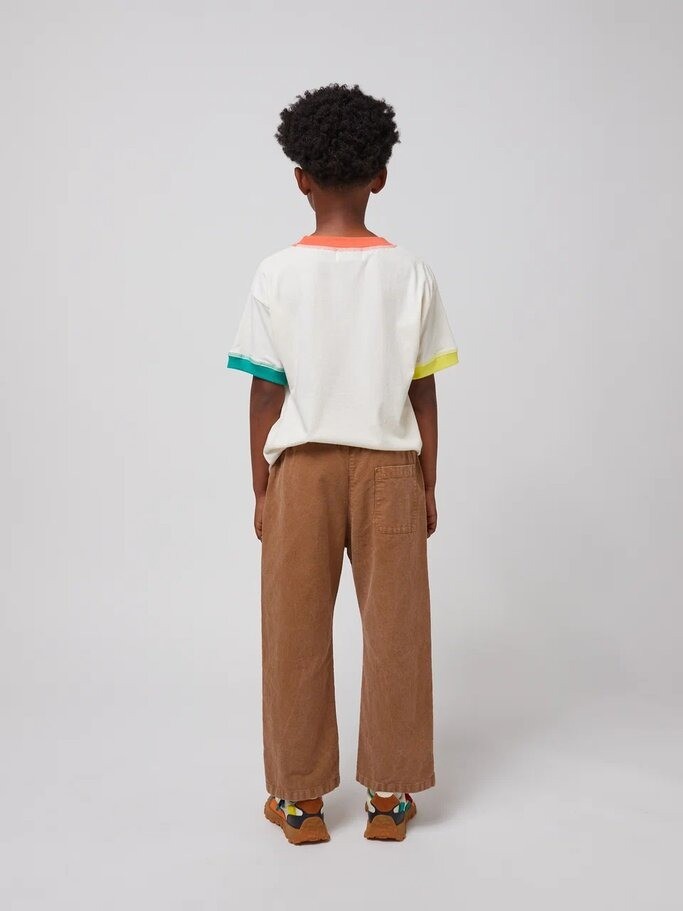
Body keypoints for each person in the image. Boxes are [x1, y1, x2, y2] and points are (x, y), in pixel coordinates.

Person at [226, 82, 459, 845]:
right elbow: (422, 388)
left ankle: (299, 801)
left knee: (293, 628)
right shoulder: (410, 272)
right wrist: (428, 478)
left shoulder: (276, 273)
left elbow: (266, 391)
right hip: (391, 467)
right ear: (379, 176)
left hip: (302, 469)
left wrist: (261, 485)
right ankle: (389, 795)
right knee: (397, 628)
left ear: (299, 177)